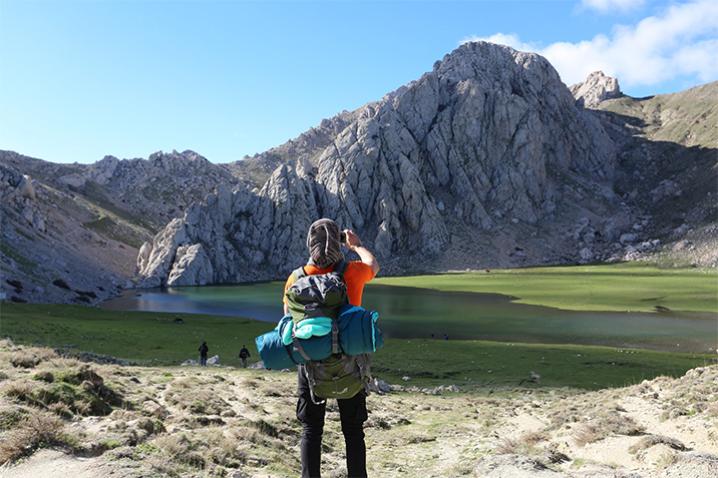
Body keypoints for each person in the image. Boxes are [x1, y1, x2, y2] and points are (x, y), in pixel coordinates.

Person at [283, 218, 380, 478]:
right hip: (351, 362)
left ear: (310, 243)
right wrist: (356, 245)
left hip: (311, 364)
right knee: (353, 431)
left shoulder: (295, 278)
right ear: (338, 243)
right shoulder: (353, 272)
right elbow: (374, 265)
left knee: (311, 430)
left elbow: (288, 317)